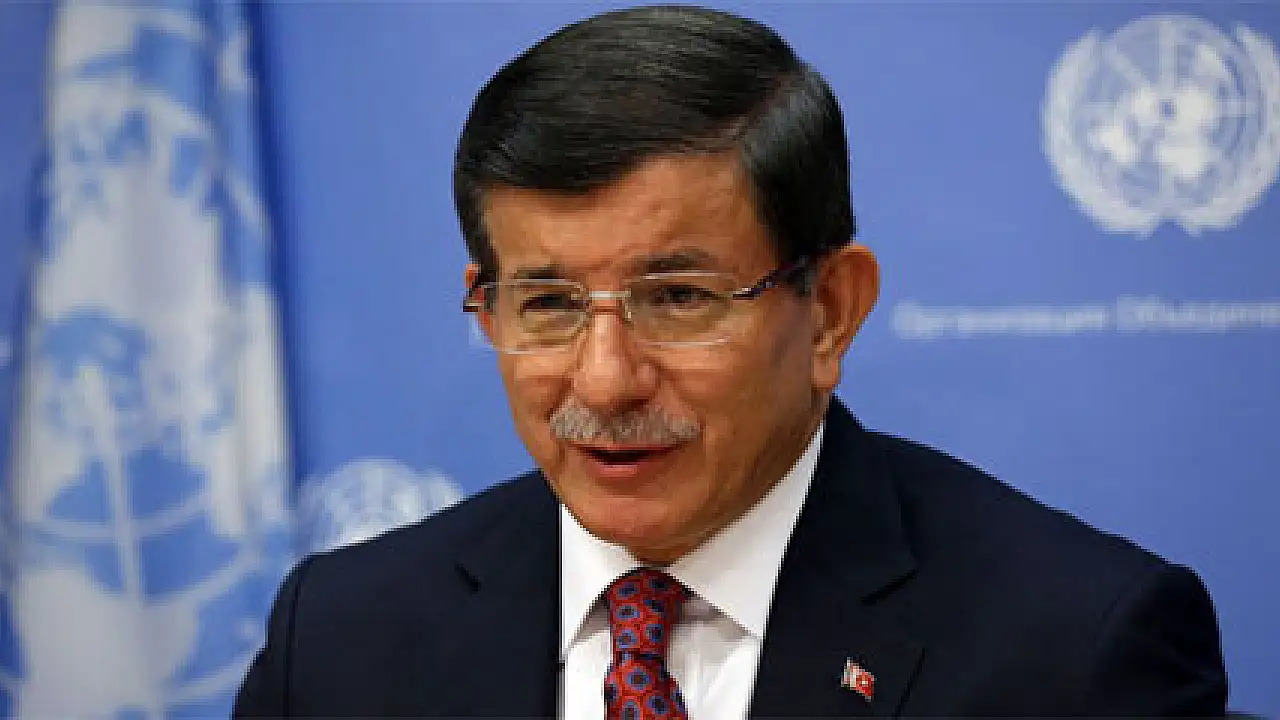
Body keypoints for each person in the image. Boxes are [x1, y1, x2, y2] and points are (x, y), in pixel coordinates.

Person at [235, 5, 1227, 717]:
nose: (604, 381)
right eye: (549, 305)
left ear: (830, 310)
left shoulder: (1072, 650)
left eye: (678, 298)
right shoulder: (341, 639)